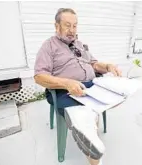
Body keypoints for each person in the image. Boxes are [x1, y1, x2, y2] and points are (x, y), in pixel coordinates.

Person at [34, 8, 122, 165]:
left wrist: (108, 66)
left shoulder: (80, 44)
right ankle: (90, 140)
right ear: (57, 26)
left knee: (114, 95)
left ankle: (87, 129)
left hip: (89, 86)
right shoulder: (48, 46)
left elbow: (94, 64)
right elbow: (39, 76)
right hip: (63, 91)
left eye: (75, 26)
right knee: (86, 114)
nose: (72, 30)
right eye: (67, 25)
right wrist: (67, 83)